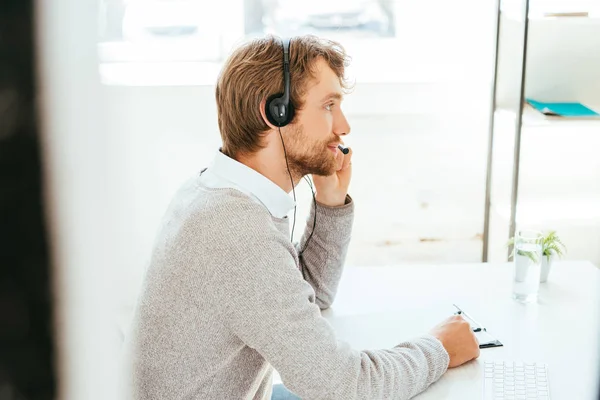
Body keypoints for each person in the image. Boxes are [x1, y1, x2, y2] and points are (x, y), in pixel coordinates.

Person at [129, 34, 480, 400]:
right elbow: (345, 386)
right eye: (329, 105)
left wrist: (330, 204)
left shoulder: (215, 191)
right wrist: (440, 348)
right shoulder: (236, 232)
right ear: (275, 112)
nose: (343, 126)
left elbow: (311, 295)